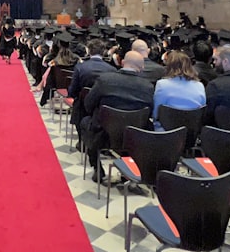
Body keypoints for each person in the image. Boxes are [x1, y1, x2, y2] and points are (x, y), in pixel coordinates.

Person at [81, 51, 154, 181]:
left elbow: (88, 104)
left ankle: (97, 166)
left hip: (103, 134)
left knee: (85, 122)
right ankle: (127, 170)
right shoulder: (147, 87)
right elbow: (151, 111)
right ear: (142, 67)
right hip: (134, 137)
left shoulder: (105, 80)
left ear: (122, 62)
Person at [152, 52, 206, 128]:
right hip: (192, 133)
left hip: (166, 133)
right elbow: (202, 113)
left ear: (169, 66)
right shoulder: (200, 85)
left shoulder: (161, 85)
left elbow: (156, 114)